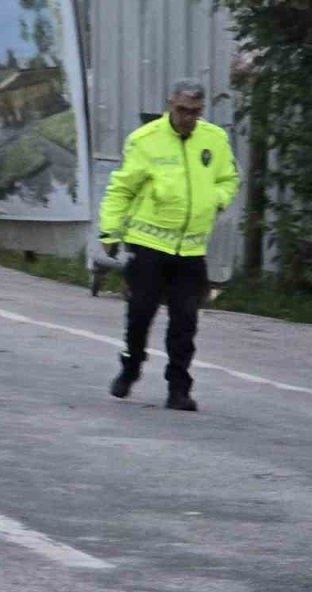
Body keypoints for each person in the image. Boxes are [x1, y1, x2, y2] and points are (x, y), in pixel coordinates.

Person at [100, 79, 239, 411]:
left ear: (201, 111)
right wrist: (110, 232)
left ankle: (179, 388)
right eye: (181, 110)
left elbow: (229, 178)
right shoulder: (145, 140)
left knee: (185, 322)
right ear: (169, 105)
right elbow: (121, 189)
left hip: (191, 250)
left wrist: (214, 200)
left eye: (194, 112)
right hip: (148, 245)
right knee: (140, 315)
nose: (187, 118)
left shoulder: (214, 139)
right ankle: (130, 367)